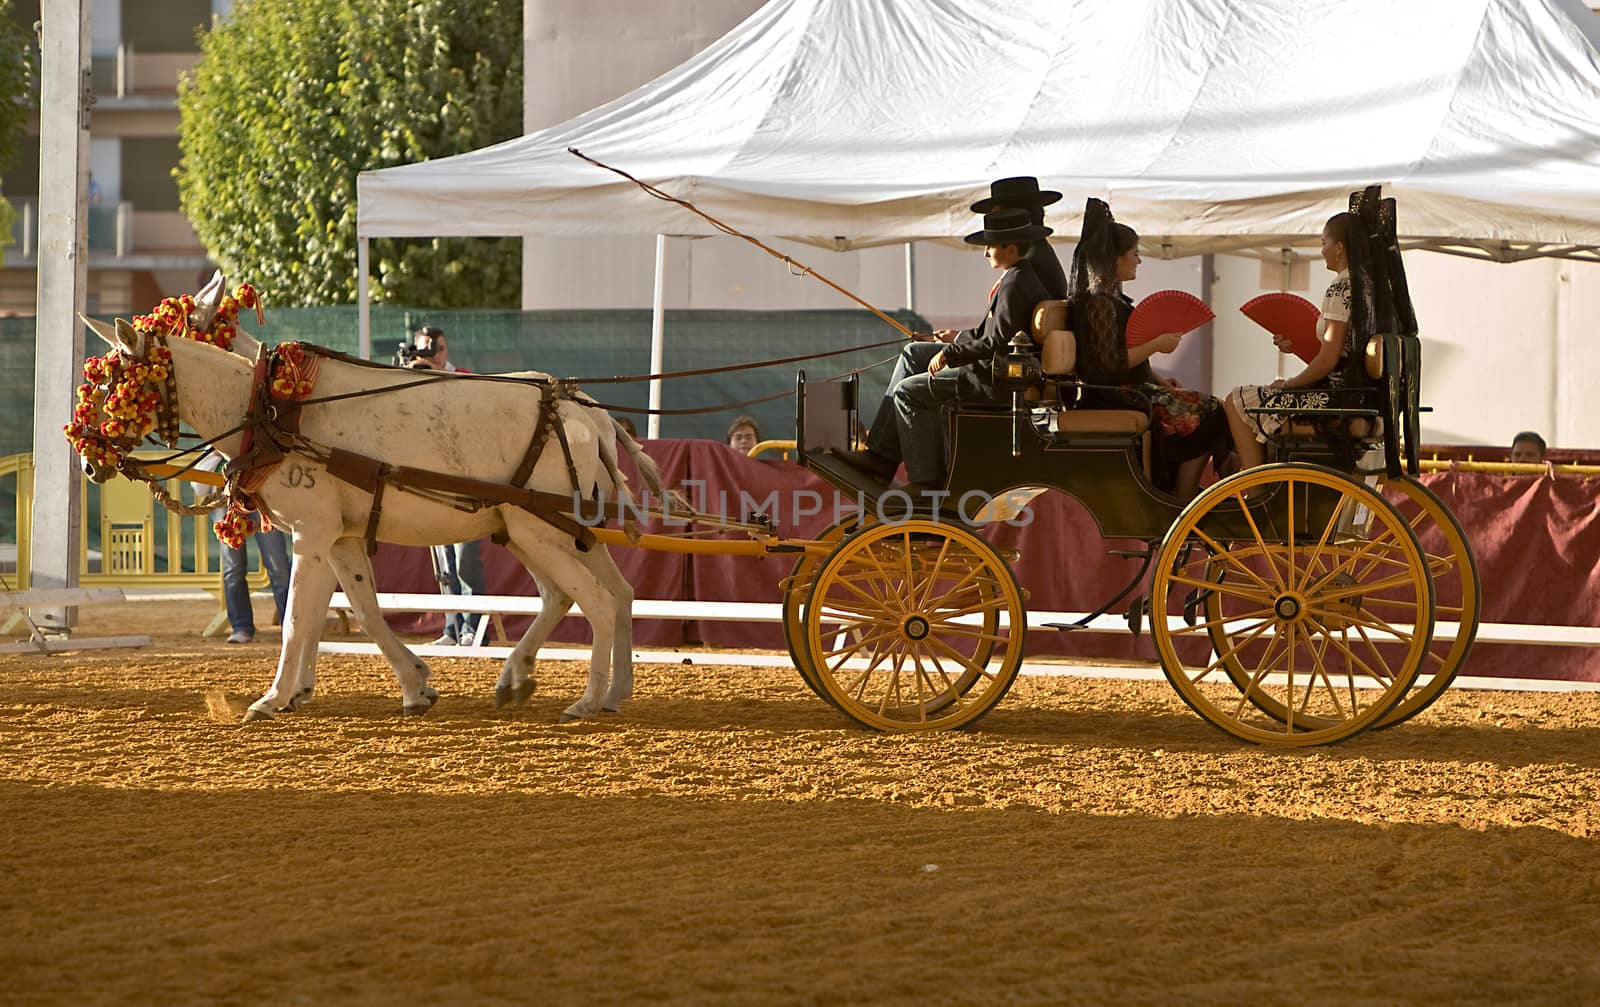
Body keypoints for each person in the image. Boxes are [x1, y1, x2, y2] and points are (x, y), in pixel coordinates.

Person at [844, 206, 1051, 490]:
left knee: (907, 393)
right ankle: (880, 455)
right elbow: (989, 333)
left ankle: (925, 480)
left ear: (1012, 248)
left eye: (990, 246)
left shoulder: (1015, 285)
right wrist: (956, 337)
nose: (985, 252)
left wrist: (950, 353)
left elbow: (997, 342)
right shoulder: (1016, 277)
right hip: (991, 367)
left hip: (989, 379)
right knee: (913, 353)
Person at [1069, 198, 1226, 498]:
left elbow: (1121, 354)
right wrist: (1156, 345)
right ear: (1115, 259)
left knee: (1210, 407)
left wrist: (1157, 379)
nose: (1139, 261)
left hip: (1133, 386)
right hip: (1112, 396)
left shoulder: (1110, 299)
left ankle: (1186, 491)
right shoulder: (1098, 304)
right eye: (1135, 254)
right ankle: (1181, 494)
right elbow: (1108, 366)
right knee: (1210, 410)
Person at [1225, 213, 1361, 473]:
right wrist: (1297, 345)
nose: (1322, 251)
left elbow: (1328, 360)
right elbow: (1340, 354)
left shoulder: (1341, 287)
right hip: (1353, 392)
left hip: (1335, 398)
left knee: (1235, 401)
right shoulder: (1367, 286)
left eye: (1324, 243)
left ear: (1340, 247)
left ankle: (1256, 492)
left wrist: (1287, 385)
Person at [406, 326, 487, 646]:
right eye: (422, 351)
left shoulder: (463, 376)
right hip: (433, 481)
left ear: (444, 351)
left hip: (466, 480)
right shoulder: (415, 378)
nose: (428, 356)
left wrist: (436, 375)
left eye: (432, 350)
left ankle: (474, 628)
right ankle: (451, 628)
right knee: (443, 563)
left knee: (466, 558)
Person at [192, 456, 291, 645]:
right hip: (227, 507)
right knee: (233, 569)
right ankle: (241, 627)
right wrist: (217, 454)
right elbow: (199, 488)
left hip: (262, 502)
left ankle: (290, 626)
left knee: (279, 567)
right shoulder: (214, 448)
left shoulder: (254, 440)